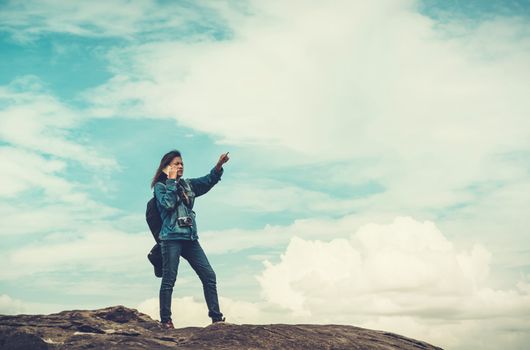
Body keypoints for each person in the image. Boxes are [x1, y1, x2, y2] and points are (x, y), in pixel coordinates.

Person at [150, 149, 230, 329]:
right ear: (166, 167)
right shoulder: (160, 187)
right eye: (176, 163)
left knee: (209, 275)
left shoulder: (188, 185)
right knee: (169, 278)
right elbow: (168, 204)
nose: (180, 166)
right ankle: (166, 320)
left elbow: (208, 181)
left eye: (182, 163)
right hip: (171, 238)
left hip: (190, 238)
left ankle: (216, 318)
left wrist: (218, 166)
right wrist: (170, 181)